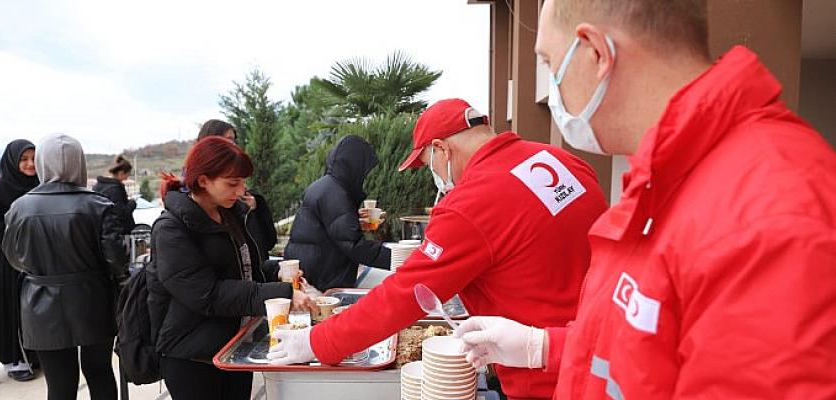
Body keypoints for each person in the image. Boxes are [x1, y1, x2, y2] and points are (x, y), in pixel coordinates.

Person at [454, 1, 836, 399]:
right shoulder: (668, 180)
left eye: (551, 66)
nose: (554, 93)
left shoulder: (770, 210)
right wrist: (541, 347)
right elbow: (646, 348)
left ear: (597, 53)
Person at [269, 99, 608, 400]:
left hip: (543, 379)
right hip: (601, 352)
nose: (434, 174)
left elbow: (404, 296)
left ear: (441, 149)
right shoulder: (561, 161)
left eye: (427, 162)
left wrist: (317, 342)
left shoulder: (472, 200)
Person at [149, 136, 316, 400]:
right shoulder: (171, 229)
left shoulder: (229, 215)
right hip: (192, 354)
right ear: (203, 180)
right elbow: (205, 293)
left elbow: (244, 269)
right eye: (232, 183)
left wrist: (276, 272)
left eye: (242, 182)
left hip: (235, 345)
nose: (241, 191)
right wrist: (282, 293)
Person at [2, 134, 129, 400]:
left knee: (59, 384)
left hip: (39, 303)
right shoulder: (99, 205)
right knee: (100, 372)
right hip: (93, 300)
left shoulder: (19, 208)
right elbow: (117, 260)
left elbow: (14, 258)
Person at [283, 135, 391, 291]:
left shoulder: (326, 186)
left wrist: (354, 220)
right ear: (354, 165)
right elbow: (354, 246)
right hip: (321, 279)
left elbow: (330, 230)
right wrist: (400, 258)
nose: (365, 174)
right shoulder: (335, 194)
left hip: (310, 271)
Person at [0, 139, 39, 381]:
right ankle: (13, 359)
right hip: (3, 257)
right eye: (24, 159)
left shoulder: (40, 186)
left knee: (34, 306)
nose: (30, 164)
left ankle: (33, 355)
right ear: (12, 161)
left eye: (33, 158)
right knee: (11, 307)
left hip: (34, 256)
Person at [197, 119, 278, 260]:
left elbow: (261, 248)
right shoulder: (179, 221)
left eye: (234, 141)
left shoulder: (243, 200)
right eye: (232, 183)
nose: (232, 146)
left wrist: (254, 209)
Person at [93, 155, 136, 234]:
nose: (126, 178)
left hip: (100, 232)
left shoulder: (97, 186)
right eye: (127, 175)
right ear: (121, 173)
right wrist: (132, 203)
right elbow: (122, 214)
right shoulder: (115, 189)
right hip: (116, 234)